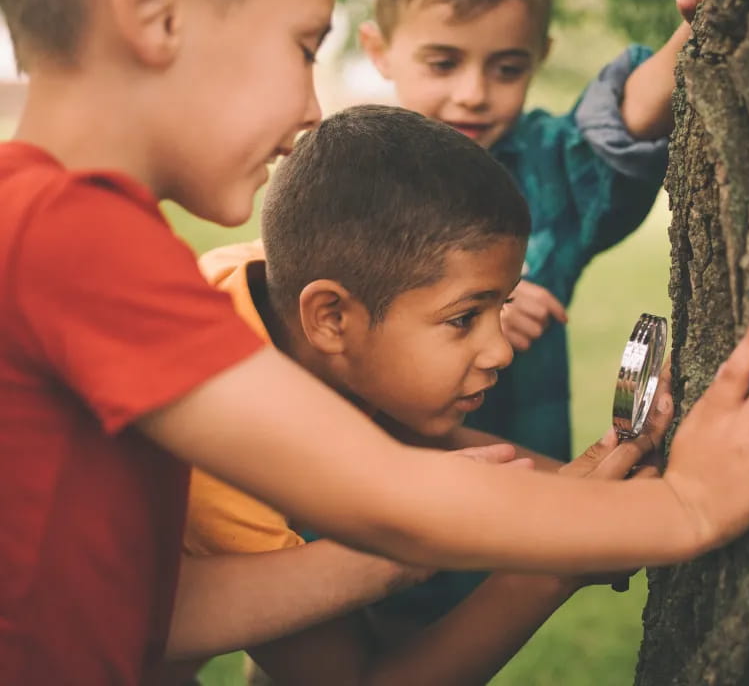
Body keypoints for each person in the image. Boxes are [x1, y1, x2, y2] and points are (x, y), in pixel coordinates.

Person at [0, 0, 749, 682]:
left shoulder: (61, 231)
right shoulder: (69, 236)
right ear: (156, 10)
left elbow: (164, 604)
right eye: (303, 47)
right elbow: (383, 492)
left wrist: (576, 501)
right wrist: (687, 508)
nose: (310, 109)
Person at [173, 104, 668, 685]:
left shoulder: (284, 295)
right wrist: (547, 568)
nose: (501, 351)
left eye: (501, 306)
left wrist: (597, 496)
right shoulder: (220, 465)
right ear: (330, 317)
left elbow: (395, 431)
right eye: (464, 318)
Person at [359, 0, 707, 461]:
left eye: (507, 68)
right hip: (377, 496)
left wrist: (702, 22)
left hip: (529, 496)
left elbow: (625, 123)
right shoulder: (349, 184)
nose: (474, 93)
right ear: (379, 50)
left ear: (540, 55)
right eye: (443, 63)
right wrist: (478, 309)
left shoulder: (544, 171)